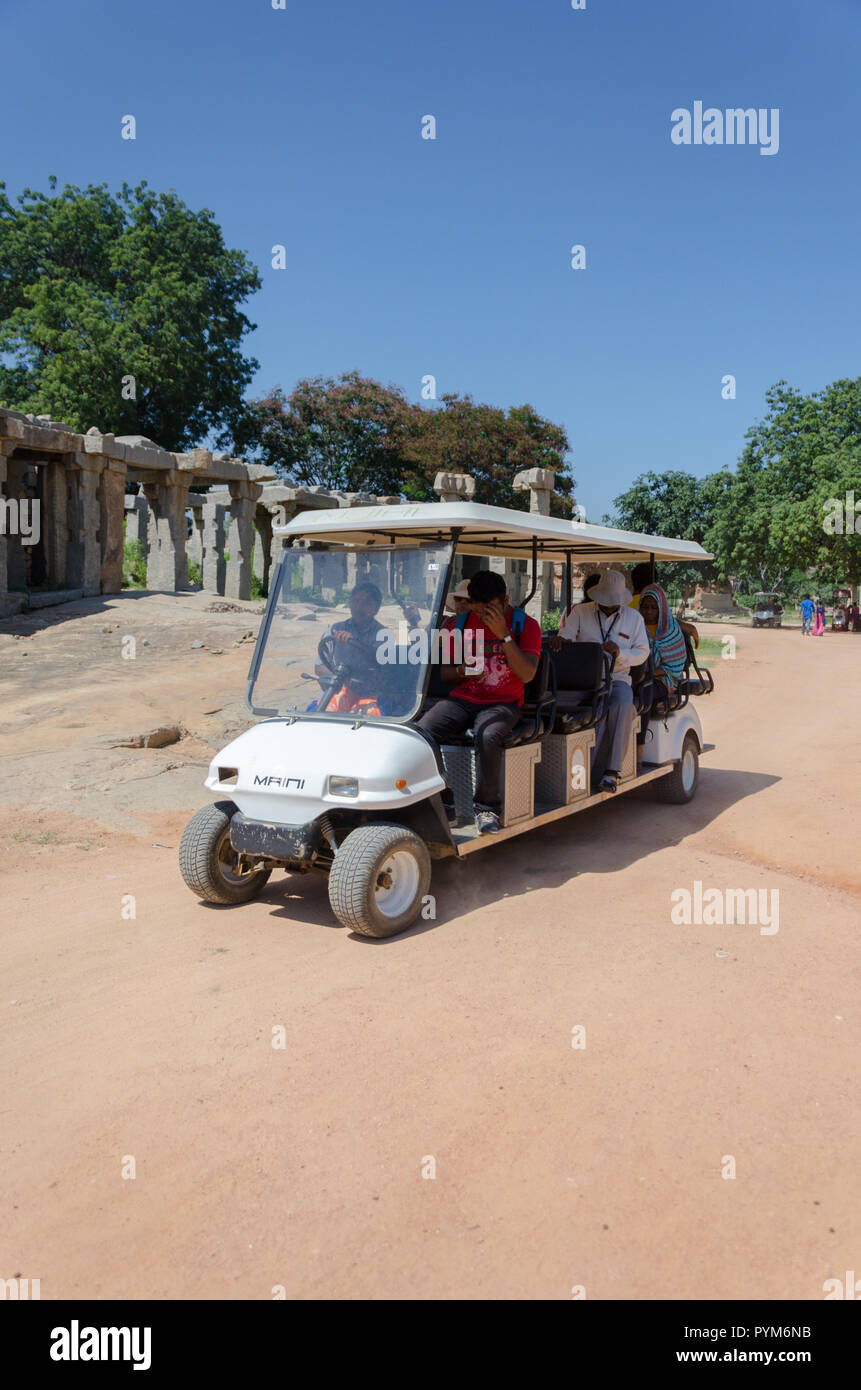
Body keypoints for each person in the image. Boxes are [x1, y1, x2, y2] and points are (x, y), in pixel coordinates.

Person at [418, 569, 542, 834]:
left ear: (505, 601)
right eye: (480, 607)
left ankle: (487, 808)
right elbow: (446, 674)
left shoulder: (525, 626)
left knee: (487, 734)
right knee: (423, 731)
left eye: (492, 608)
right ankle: (443, 798)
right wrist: (463, 671)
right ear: (471, 603)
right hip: (465, 698)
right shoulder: (458, 625)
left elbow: (528, 674)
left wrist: (503, 635)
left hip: (504, 701)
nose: (486, 614)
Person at [549, 569, 649, 794]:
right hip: (584, 679)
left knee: (623, 704)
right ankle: (575, 772)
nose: (608, 606)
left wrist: (620, 653)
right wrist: (560, 641)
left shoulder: (634, 619)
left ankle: (612, 771)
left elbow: (643, 652)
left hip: (618, 678)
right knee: (579, 710)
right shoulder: (581, 613)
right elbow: (568, 636)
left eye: (613, 603)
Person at [629, 562, 699, 648]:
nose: (649, 611)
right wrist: (688, 627)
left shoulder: (625, 605)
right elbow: (666, 620)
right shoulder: (657, 603)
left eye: (653, 608)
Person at [638, 584, 688, 703]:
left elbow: (674, 665)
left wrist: (649, 674)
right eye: (645, 607)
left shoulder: (672, 631)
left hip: (664, 679)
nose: (649, 611)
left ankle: (642, 723)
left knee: (644, 693)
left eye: (654, 607)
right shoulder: (634, 627)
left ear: (661, 608)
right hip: (637, 677)